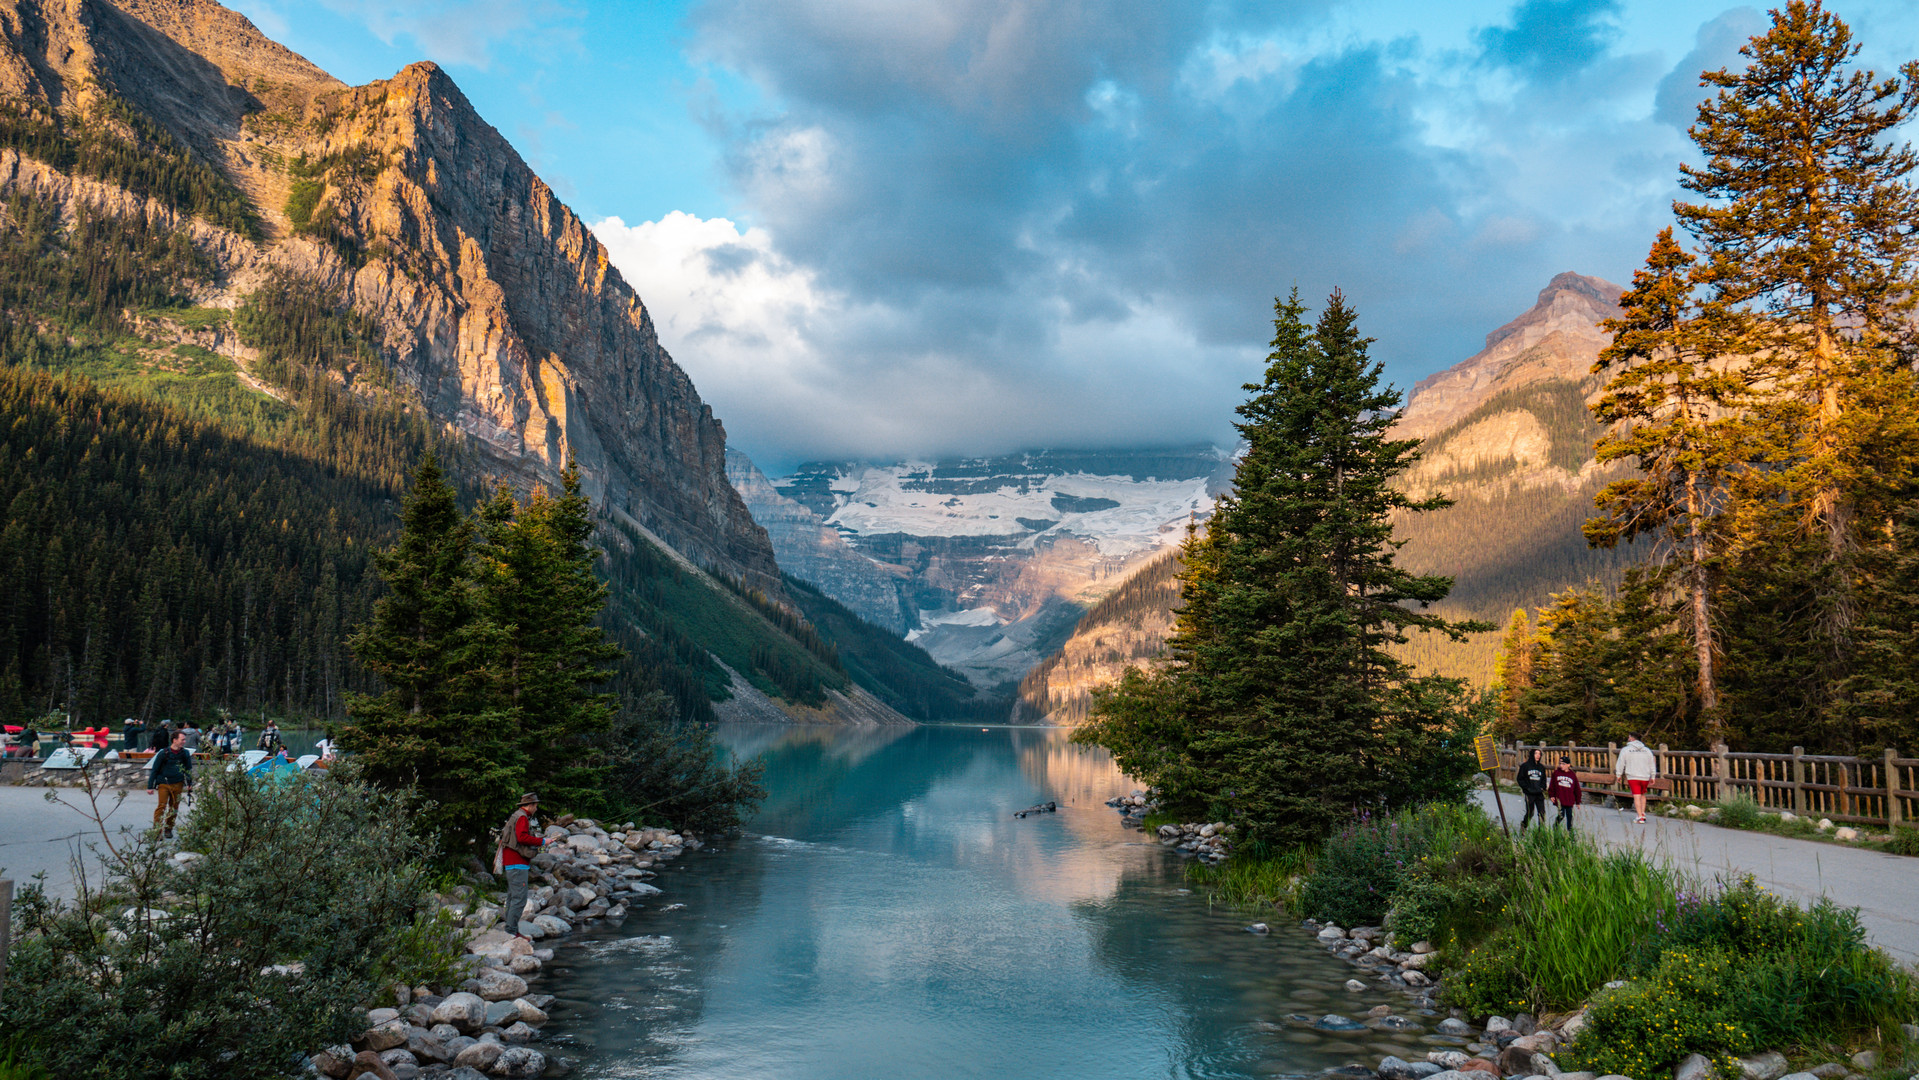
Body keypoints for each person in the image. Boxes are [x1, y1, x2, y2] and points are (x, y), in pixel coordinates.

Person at [497, 793, 547, 940]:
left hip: (511, 862)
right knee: (519, 899)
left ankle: (511, 930)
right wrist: (543, 841)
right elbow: (522, 837)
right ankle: (511, 932)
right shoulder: (522, 818)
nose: (536, 808)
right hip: (517, 863)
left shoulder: (516, 815)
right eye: (535, 806)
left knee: (513, 897)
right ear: (530, 805)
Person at [147, 731, 194, 839]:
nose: (184, 742)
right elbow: (155, 769)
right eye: (182, 739)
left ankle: (168, 829)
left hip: (178, 783)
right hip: (164, 783)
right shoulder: (163, 753)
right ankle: (157, 830)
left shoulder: (185, 753)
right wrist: (150, 786)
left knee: (174, 808)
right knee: (161, 807)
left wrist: (189, 783)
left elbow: (188, 769)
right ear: (174, 740)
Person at [1615, 733, 1658, 824]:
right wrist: (1653, 776)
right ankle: (1642, 813)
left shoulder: (1626, 750)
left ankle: (1639, 817)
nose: (1628, 738)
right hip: (1645, 776)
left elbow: (1621, 762)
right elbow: (1651, 764)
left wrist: (1618, 774)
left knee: (1636, 795)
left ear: (1631, 738)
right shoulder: (1647, 750)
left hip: (1633, 776)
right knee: (1642, 795)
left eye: (1629, 737)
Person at [1517, 748, 1549, 830]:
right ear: (1532, 755)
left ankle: (1541, 831)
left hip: (1539, 793)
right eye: (1536, 753)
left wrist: (1542, 787)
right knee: (1530, 813)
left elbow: (1544, 779)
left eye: (1539, 754)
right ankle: (1524, 825)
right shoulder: (1525, 766)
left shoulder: (1541, 767)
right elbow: (1520, 779)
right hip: (1530, 793)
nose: (1538, 755)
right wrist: (1526, 788)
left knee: (1542, 813)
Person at [1549, 755, 1583, 832]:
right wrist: (1551, 795)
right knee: (1561, 815)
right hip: (1560, 799)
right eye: (1560, 764)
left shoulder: (1572, 775)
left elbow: (1577, 789)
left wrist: (1578, 801)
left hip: (1569, 799)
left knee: (1570, 816)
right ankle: (1555, 827)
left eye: (1563, 764)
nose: (1561, 766)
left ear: (1568, 765)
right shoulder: (1556, 773)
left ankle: (1570, 832)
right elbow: (1552, 785)